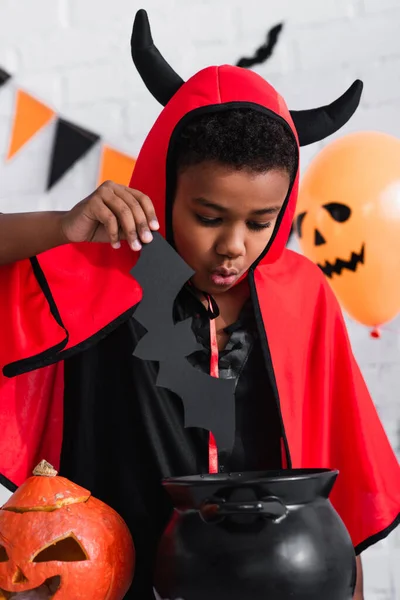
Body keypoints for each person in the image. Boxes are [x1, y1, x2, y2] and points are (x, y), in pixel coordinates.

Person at [0, 9, 399, 600]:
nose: (233, 246)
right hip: (120, 577)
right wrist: (61, 227)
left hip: (277, 581)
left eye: (261, 222)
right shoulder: (103, 271)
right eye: (208, 217)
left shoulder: (301, 292)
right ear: (165, 189)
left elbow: (331, 462)